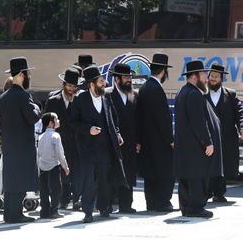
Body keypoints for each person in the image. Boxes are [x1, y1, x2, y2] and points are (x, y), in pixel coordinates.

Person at [69, 65, 125, 223]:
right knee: (89, 180)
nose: (104, 84)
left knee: (104, 179)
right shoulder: (80, 99)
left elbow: (114, 118)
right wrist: (88, 129)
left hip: (105, 147)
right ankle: (87, 211)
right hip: (87, 148)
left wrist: (118, 133)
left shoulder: (106, 97)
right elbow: (73, 122)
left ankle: (104, 207)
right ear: (91, 84)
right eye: (101, 81)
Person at [173, 60, 222, 218]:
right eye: (203, 75)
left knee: (186, 178)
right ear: (194, 77)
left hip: (184, 146)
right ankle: (195, 208)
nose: (206, 79)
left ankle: (186, 207)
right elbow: (199, 123)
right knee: (196, 177)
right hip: (194, 146)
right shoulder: (194, 94)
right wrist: (207, 142)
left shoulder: (182, 92)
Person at [0, 57, 41, 223]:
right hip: (23, 145)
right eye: (28, 73)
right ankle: (16, 214)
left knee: (11, 179)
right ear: (22, 75)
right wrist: (37, 107)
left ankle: (9, 213)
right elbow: (33, 117)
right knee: (21, 180)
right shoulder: (23, 96)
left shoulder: (4, 96)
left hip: (9, 144)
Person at [137, 52, 176, 212]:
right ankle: (163, 202)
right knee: (165, 172)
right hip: (160, 141)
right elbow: (163, 119)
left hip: (147, 140)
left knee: (150, 174)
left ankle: (151, 202)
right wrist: (170, 139)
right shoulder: (157, 90)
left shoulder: (144, 88)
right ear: (164, 72)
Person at [206, 63, 243, 203]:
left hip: (225, 137)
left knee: (222, 166)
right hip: (208, 137)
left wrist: (242, 128)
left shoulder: (230, 94)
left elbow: (239, 113)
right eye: (211, 76)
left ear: (221, 79)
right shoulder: (202, 93)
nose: (213, 79)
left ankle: (219, 193)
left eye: (216, 77)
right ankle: (207, 191)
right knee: (208, 165)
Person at [45, 66, 82, 210]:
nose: (72, 89)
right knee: (61, 172)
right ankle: (63, 199)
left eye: (74, 86)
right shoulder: (54, 100)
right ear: (64, 85)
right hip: (60, 141)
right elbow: (46, 122)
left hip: (76, 142)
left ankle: (76, 198)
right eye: (70, 86)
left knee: (77, 171)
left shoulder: (79, 100)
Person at [107, 62, 139, 213]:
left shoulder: (134, 95)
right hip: (114, 142)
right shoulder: (108, 96)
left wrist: (138, 140)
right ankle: (110, 203)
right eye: (125, 77)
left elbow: (139, 119)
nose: (129, 80)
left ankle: (126, 205)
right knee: (113, 172)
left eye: (129, 77)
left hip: (131, 142)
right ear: (116, 79)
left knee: (129, 172)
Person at [37, 112, 70, 219]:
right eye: (56, 119)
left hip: (42, 166)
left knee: (44, 190)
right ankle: (54, 210)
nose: (58, 121)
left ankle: (44, 211)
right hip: (54, 166)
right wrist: (65, 165)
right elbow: (60, 153)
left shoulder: (41, 136)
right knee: (56, 189)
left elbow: (39, 152)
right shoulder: (56, 136)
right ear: (51, 123)